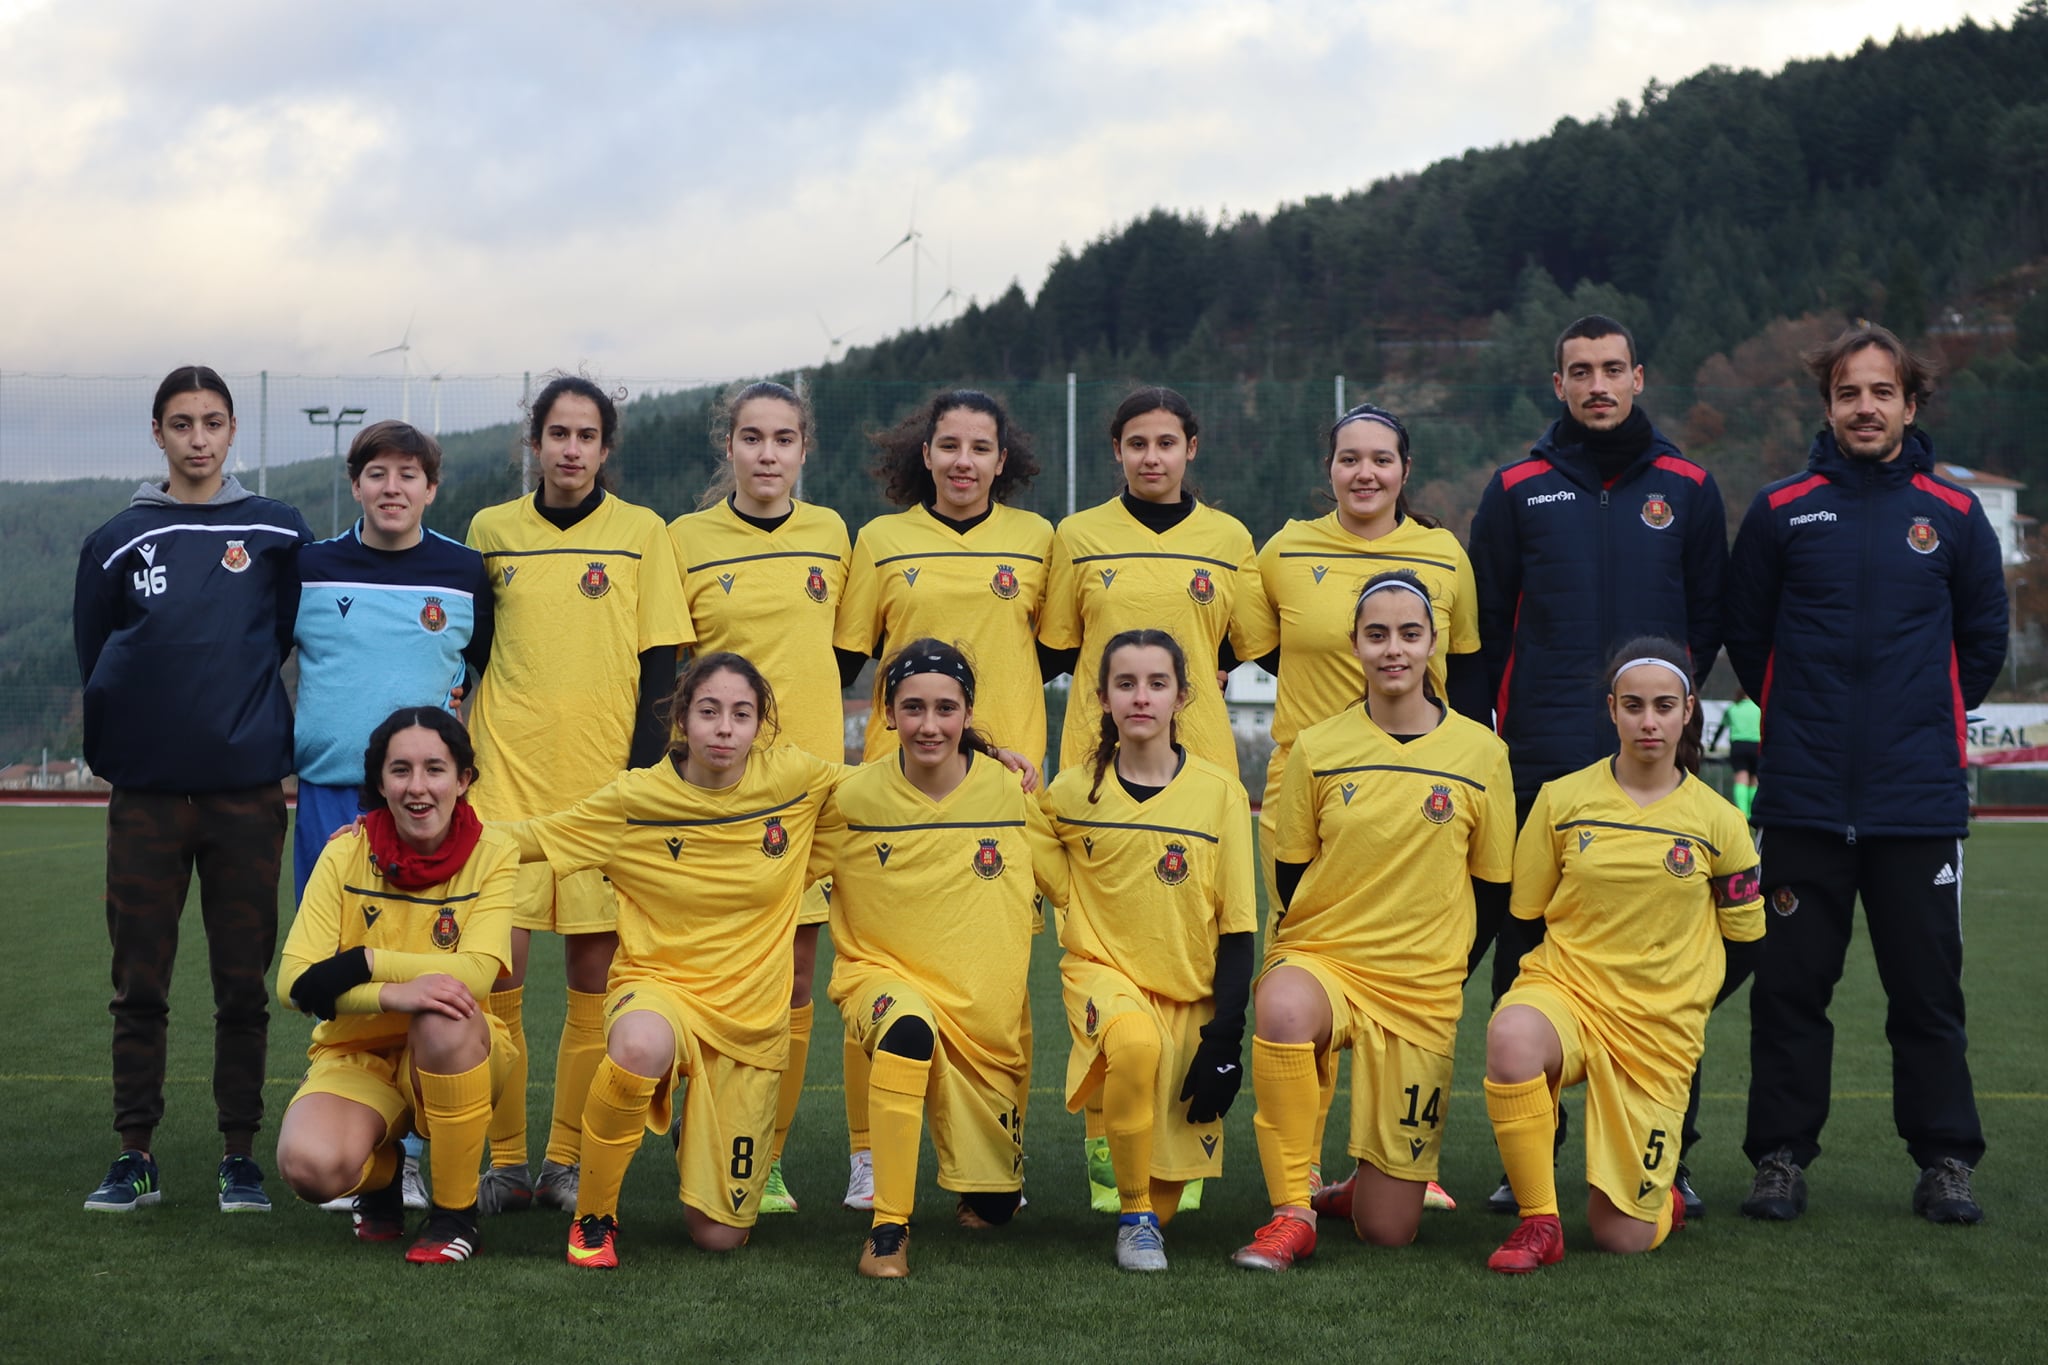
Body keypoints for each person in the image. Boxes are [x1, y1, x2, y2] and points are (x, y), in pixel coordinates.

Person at [1726, 323, 2007, 1226]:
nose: (1865, 407)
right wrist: (1805, 717)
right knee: (1789, 992)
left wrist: (1917, 718)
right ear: (1828, 405)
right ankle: (1778, 1158)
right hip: (1804, 798)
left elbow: (1983, 642)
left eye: (1882, 391)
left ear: (1910, 404)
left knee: (1928, 995)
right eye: (1849, 392)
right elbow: (1749, 633)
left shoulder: (1955, 518)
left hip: (1916, 802)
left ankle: (1946, 1161)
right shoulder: (1780, 510)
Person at [1467, 313, 1728, 1215]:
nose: (1598, 384)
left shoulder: (1690, 489)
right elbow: (1486, 626)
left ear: (1640, 376)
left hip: (1657, 773)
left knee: (1668, 965)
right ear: (1558, 384)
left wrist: (1660, 717)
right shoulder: (1516, 488)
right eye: (1580, 371)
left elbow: (1708, 622)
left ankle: (1669, 1151)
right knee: (1525, 956)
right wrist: (1506, 731)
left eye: (1612, 368)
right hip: (1541, 763)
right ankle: (1527, 1157)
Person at [507, 653, 843, 1268]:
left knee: (719, 1236)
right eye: (708, 711)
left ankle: (701, 1129)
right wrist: (399, 827)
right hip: (659, 988)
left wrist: (987, 762)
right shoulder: (636, 799)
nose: (724, 728)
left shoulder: (795, 780)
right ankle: (595, 1216)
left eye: (741, 714)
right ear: (682, 717)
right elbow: (532, 838)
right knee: (637, 1047)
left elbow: (891, 791)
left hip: (749, 1019)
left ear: (759, 724)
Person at [75, 365, 313, 1214]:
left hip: (246, 796)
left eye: (213, 422)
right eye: (182, 423)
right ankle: (133, 1152)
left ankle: (238, 1155)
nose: (199, 438)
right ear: (158, 433)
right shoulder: (115, 539)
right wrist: (135, 755)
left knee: (242, 984)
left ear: (234, 429)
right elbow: (98, 657)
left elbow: (283, 635)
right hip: (146, 800)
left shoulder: (278, 530)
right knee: (139, 983)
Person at [1238, 401, 1482, 1213]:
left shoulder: (1444, 555)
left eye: (1381, 458)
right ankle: (1300, 1166)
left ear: (1406, 470)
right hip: (1314, 796)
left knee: (1413, 967)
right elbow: (1259, 646)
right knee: (1305, 970)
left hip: (1422, 802)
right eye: (1349, 458)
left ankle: (1398, 1157)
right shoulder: (1285, 549)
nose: (1365, 472)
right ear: (1329, 468)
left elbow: (1467, 674)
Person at [1231, 571, 1513, 1271]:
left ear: (1434, 643)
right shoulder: (1317, 748)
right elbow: (1293, 874)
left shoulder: (1483, 753)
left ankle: (1360, 1185)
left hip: (1420, 988)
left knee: (1388, 1230)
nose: (1394, 648)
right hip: (1328, 959)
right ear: (1354, 643)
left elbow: (1493, 888)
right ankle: (1291, 1210)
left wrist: (1442, 963)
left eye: (1409, 633)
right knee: (1285, 1003)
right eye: (1378, 634)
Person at [464, 375, 693, 1215]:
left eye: (586, 435)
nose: (570, 449)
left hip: (603, 795)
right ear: (535, 442)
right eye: (556, 433)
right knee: (499, 984)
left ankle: (563, 1161)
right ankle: (505, 1161)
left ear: (606, 447)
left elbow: (660, 664)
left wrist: (638, 782)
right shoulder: (492, 530)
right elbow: (474, 648)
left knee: (594, 984)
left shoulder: (642, 532)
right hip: (504, 786)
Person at [832, 389, 1053, 1210]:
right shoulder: (882, 541)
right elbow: (847, 660)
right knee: (879, 968)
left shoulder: (1037, 542)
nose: (964, 460)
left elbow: (1062, 649)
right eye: (949, 445)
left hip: (999, 797)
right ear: (922, 455)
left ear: (1004, 459)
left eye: (980, 447)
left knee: (1004, 978)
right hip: (896, 796)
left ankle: (995, 1154)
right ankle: (866, 1156)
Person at [1483, 639, 1761, 1273]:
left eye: (1664, 706)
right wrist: (1528, 994)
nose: (1648, 721)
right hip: (1569, 995)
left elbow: (1745, 943)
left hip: (1656, 1030)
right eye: (1633, 706)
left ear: (1688, 710)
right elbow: (1523, 923)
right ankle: (1538, 1222)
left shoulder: (1720, 822)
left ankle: (1660, 1202)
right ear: (1611, 710)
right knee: (1512, 1035)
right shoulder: (1560, 800)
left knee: (1622, 1237)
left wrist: (1687, 1002)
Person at [294, 419, 495, 1215]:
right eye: (377, 472)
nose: (392, 488)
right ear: (356, 483)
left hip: (431, 802)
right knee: (332, 958)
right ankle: (352, 1108)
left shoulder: (463, 571)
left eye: (409, 474)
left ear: (432, 487)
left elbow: (490, 674)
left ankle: (420, 1147)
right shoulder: (308, 568)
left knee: (432, 955)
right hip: (333, 793)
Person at [810, 640, 1054, 1278]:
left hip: (980, 1024)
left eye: (946, 708)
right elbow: (767, 866)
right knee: (907, 1028)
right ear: (887, 711)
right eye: (912, 706)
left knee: (994, 1210)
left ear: (967, 713)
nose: (928, 724)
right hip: (880, 983)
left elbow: (1078, 871)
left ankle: (985, 1178)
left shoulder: (1010, 793)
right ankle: (888, 1228)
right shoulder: (850, 797)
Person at [669, 381, 850, 1215]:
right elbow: (677, 668)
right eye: (752, 437)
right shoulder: (686, 540)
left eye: (783, 439)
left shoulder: (832, 534)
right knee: (707, 973)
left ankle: (762, 1156)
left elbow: (839, 659)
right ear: (729, 446)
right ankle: (696, 1124)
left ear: (805, 449)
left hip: (803, 797)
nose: (768, 453)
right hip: (715, 797)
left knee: (798, 977)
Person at [1038, 629, 1256, 1271]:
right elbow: (1016, 833)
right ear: (1102, 698)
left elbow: (1239, 930)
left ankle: (1143, 1202)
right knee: (1133, 1043)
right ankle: (1134, 1218)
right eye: (1125, 684)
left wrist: (1225, 1041)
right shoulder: (1071, 793)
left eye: (1157, 684)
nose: (1141, 697)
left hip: (1188, 998)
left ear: (1182, 697)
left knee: (1171, 1195)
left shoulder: (1220, 794)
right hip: (1100, 976)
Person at [273, 708, 517, 1263]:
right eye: (400, 770)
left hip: (459, 1048)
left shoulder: (494, 855)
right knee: (307, 1168)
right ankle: (379, 1179)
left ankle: (455, 1216)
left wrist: (364, 960)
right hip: (357, 1051)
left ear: (463, 780)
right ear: (379, 783)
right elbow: (293, 984)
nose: (417, 787)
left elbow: (476, 973)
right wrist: (388, 994)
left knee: (441, 1014)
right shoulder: (345, 852)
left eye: (435, 769)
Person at [1706, 691, 1761, 820]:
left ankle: (1742, 813)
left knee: (1741, 778)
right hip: (1757, 746)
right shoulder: (1759, 708)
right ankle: (1753, 812)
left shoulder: (1733, 708)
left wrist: (1713, 744)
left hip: (1738, 745)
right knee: (1754, 780)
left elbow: (1721, 728)